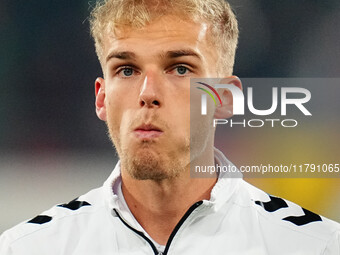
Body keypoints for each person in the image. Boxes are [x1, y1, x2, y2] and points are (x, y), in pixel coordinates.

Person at [1, 0, 339, 254]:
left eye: (179, 69)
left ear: (224, 99)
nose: (148, 94)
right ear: (102, 98)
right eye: (127, 70)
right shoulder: (28, 248)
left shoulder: (316, 246)